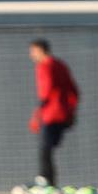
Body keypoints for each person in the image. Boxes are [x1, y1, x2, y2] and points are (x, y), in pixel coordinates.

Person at [28, 39, 79, 186]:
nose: (31, 55)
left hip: (51, 114)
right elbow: (74, 90)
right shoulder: (60, 65)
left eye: (33, 51)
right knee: (48, 148)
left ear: (40, 50)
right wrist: (71, 111)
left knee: (45, 148)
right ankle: (50, 182)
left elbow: (46, 91)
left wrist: (37, 115)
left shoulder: (45, 66)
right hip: (62, 114)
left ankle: (44, 181)